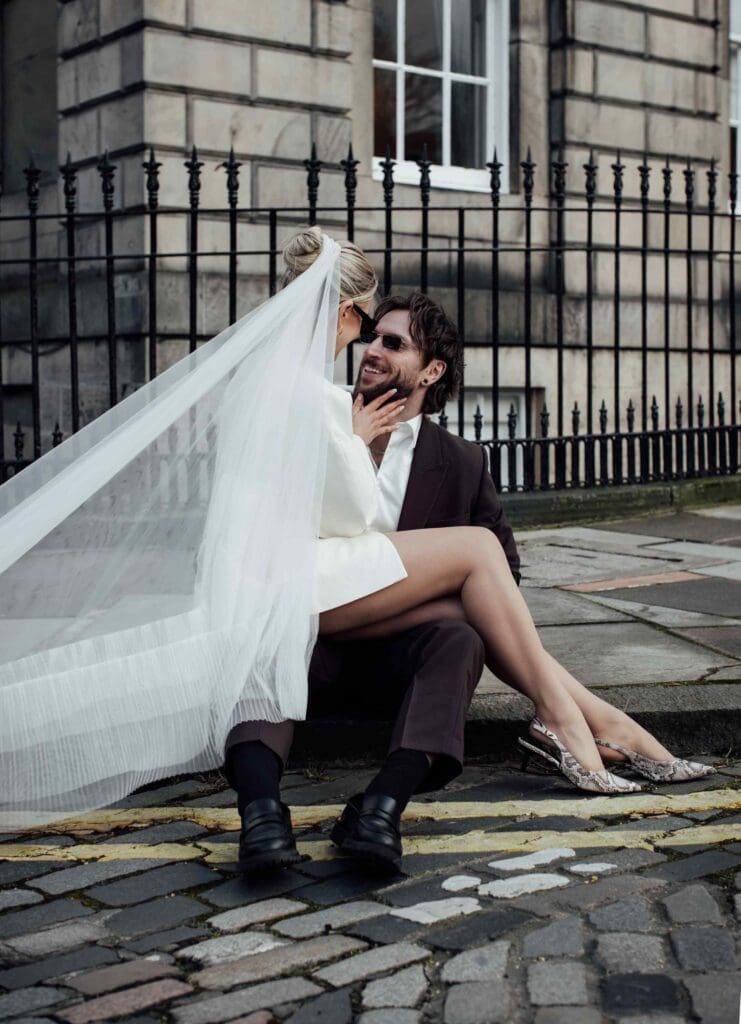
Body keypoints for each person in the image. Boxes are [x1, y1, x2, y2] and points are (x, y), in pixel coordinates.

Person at [227, 227, 713, 874]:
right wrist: (408, 541)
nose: (371, 348)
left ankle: (382, 807)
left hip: (394, 650)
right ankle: (579, 722)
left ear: (430, 371)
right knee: (282, 637)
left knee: (463, 625)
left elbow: (499, 585)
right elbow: (313, 515)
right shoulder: (320, 407)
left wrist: (421, 577)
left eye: (392, 342)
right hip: (308, 631)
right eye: (371, 334)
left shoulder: (457, 462)